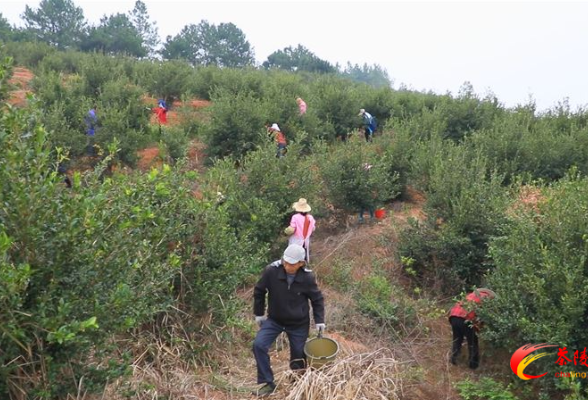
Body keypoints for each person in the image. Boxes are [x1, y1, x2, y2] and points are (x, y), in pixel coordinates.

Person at [252, 244, 326, 397]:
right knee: (259, 345)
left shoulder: (307, 278)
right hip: (275, 319)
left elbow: (317, 299)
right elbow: (259, 291)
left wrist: (320, 321)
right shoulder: (271, 271)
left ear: (301, 263)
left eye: (291, 264)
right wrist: (259, 314)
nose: (287, 266)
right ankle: (268, 383)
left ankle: (297, 384)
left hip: (298, 323)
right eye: (285, 262)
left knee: (298, 354)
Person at [449, 288, 496, 369]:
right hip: (466, 317)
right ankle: (473, 365)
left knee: (457, 339)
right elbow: (483, 316)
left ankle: (454, 360)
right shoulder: (486, 299)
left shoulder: (471, 295)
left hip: (453, 316)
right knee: (473, 342)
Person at [284, 198, 316, 262]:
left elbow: (291, 229)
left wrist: (285, 231)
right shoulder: (311, 218)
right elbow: (313, 228)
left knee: (292, 258)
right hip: (305, 242)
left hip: (296, 241)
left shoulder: (295, 217)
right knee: (302, 258)